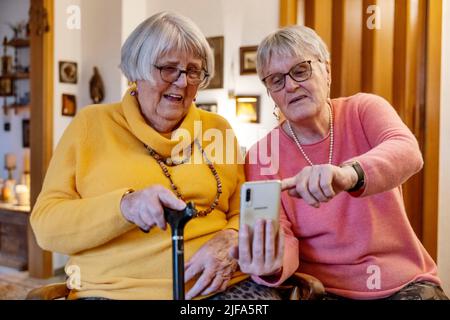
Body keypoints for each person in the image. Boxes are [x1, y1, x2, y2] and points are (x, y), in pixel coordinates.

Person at [30, 12, 283, 300]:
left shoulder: (218, 129)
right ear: (136, 72)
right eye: (168, 68)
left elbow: (243, 212)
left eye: (193, 71)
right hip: (117, 293)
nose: (182, 81)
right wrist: (125, 207)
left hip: (222, 288)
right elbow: (47, 226)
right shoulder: (91, 125)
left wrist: (232, 238)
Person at [244, 25, 448, 300]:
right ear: (270, 92)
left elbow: (407, 151)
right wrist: (270, 265)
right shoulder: (262, 153)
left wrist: (347, 175)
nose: (290, 85)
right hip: (325, 290)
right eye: (276, 80)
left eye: (301, 70)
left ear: (327, 70)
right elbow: (282, 238)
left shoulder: (363, 110)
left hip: (403, 283)